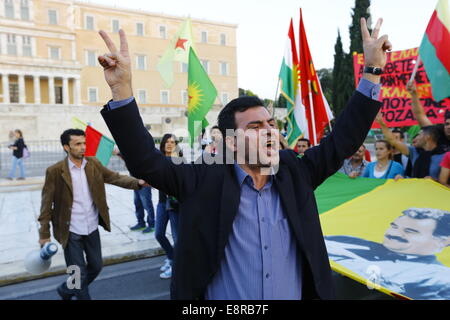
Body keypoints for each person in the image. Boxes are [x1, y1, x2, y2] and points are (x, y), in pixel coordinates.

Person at [97, 18, 391, 300]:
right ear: (230, 142)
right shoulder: (202, 179)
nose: (268, 132)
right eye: (254, 127)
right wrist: (121, 89)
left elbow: (342, 140)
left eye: (270, 125)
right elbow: (146, 162)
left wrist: (373, 70)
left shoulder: (295, 172)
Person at [37, 129, 148, 300]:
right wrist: (44, 235)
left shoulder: (93, 164)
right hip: (70, 230)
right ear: (66, 147)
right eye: (78, 144)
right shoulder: (55, 171)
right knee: (77, 273)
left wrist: (138, 183)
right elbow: (46, 205)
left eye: (84, 143)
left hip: (91, 227)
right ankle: (78, 292)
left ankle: (66, 290)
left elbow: (115, 177)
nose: (83, 147)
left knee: (96, 266)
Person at [325, 208, 450, 300]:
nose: (395, 234)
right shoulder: (348, 240)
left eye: (410, 231)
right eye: (394, 227)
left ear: (442, 241)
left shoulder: (438, 277)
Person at [377, 113, 446, 180]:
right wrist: (381, 123)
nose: (416, 137)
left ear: (427, 137)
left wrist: (435, 182)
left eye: (420, 134)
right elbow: (392, 140)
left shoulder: (444, 156)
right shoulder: (414, 152)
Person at [154, 133, 181, 279]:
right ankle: (171, 258)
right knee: (158, 234)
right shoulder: (159, 160)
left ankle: (176, 267)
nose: (169, 144)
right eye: (167, 142)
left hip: (175, 205)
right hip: (162, 202)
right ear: (163, 144)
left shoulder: (178, 161)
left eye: (172, 142)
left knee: (177, 238)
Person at [114, 149, 156, 233]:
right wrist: (119, 154)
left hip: (144, 179)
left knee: (146, 203)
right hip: (134, 179)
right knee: (137, 202)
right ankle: (141, 223)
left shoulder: (142, 147)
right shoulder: (130, 148)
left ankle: (152, 225)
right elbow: (129, 160)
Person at [406, 81, 450, 151]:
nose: (448, 127)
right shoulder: (437, 133)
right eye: (447, 124)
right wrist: (414, 94)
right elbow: (420, 115)